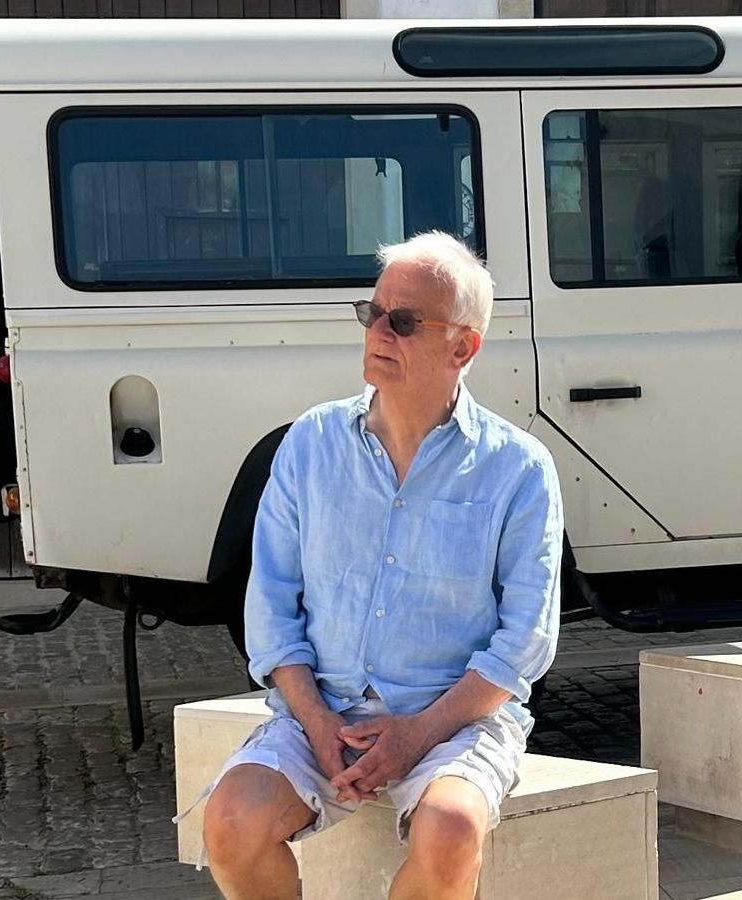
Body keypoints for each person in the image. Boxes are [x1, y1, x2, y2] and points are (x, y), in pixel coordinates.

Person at [200, 230, 563, 900]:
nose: (379, 333)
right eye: (373, 314)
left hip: (453, 721)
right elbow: (272, 602)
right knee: (230, 822)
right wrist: (315, 720)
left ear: (463, 347)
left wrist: (417, 734)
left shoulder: (520, 470)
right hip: (325, 712)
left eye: (403, 321)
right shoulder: (309, 444)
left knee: (451, 829)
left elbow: (524, 645)